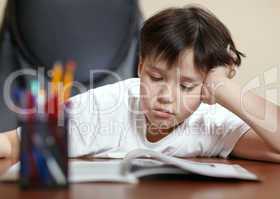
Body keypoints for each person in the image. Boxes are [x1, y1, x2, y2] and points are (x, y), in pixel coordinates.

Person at [0, 5, 280, 162]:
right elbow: (12, 145)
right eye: (155, 78)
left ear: (205, 86)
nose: (166, 97)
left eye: (186, 86)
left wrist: (225, 88)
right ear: (140, 67)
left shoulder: (211, 121)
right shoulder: (103, 108)